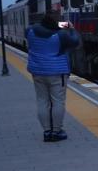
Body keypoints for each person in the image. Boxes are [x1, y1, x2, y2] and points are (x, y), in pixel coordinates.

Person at [26, 9, 81, 142]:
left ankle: (46, 131)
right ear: (57, 21)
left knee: (42, 101)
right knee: (57, 101)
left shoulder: (30, 31)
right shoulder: (61, 35)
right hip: (57, 72)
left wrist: (56, 24)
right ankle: (56, 131)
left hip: (38, 71)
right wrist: (71, 28)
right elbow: (75, 41)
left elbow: (40, 27)